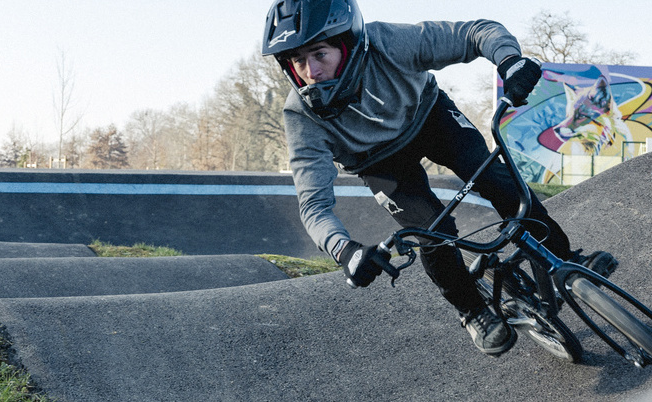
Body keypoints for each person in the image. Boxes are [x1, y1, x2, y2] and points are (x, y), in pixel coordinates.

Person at [261, 0, 617, 356]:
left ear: (348, 43)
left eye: (320, 54)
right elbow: (313, 206)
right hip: (378, 162)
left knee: (497, 180)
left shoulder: (389, 43)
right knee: (433, 230)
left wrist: (510, 60)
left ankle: (564, 259)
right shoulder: (301, 115)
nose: (311, 72)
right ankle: (472, 311)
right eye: (297, 60)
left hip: (429, 118)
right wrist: (343, 249)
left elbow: (476, 32)